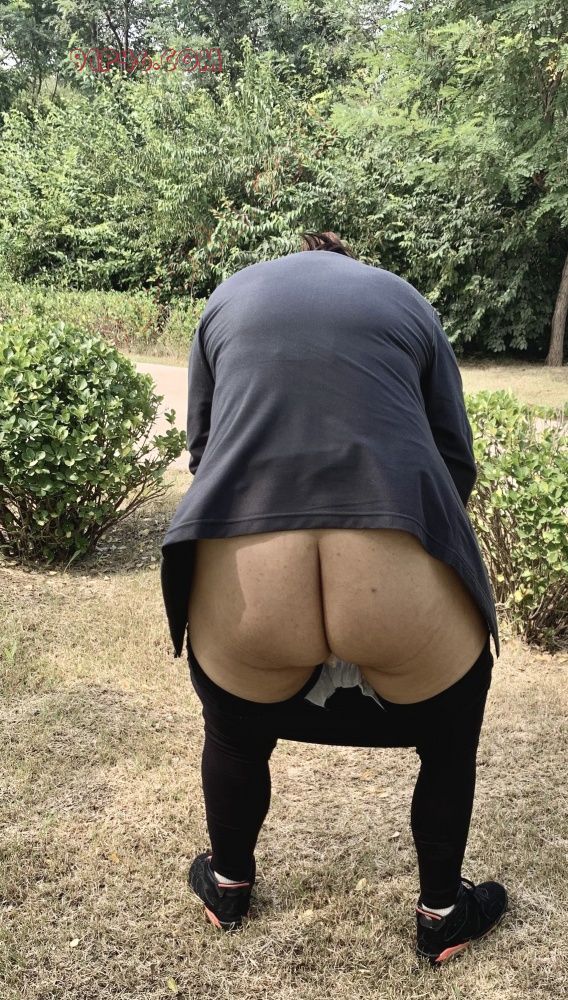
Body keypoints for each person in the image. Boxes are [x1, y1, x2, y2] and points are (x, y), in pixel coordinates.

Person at [160, 231, 508, 966]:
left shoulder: (226, 299)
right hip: (395, 578)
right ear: (352, 263)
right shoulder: (406, 300)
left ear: (296, 256)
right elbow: (454, 459)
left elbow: (203, 452)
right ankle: (443, 915)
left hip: (252, 584)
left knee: (232, 733)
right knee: (449, 743)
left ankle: (228, 885)